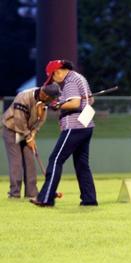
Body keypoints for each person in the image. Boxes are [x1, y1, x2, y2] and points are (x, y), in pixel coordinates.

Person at [30, 59, 98, 207]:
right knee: (82, 164)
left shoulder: (70, 82)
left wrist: (56, 104)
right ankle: (89, 199)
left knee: (55, 160)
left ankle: (46, 198)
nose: (54, 80)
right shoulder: (80, 78)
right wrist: (61, 102)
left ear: (58, 71)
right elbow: (90, 101)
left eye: (53, 76)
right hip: (86, 125)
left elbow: (74, 103)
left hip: (73, 126)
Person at [2, 83, 60, 199]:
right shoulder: (23, 97)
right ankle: (15, 193)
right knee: (16, 163)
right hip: (11, 129)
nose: (53, 100)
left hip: (27, 131)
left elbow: (40, 120)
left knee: (30, 162)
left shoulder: (44, 102)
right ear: (44, 94)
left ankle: (32, 193)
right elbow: (19, 120)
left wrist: (33, 134)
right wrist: (28, 137)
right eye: (52, 98)